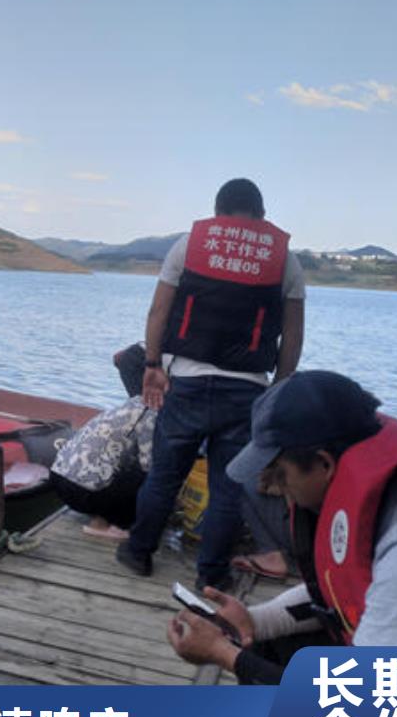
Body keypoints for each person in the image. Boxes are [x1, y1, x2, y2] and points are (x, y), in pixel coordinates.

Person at [167, 370, 397, 684]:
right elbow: (340, 590)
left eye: (279, 474)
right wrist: (252, 620)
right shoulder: (371, 490)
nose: (269, 486)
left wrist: (222, 654)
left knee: (255, 662)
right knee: (262, 646)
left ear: (324, 463)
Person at [117, 178, 305, 589]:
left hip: (186, 382)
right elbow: (292, 334)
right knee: (228, 486)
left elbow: (158, 311)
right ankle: (212, 575)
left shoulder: (190, 245)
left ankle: (138, 552)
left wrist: (153, 363)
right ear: (261, 215)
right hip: (247, 390)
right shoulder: (284, 259)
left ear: (218, 212)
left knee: (164, 475)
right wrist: (280, 386)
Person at [50, 396, 156, 538]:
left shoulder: (134, 403)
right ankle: (102, 525)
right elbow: (149, 465)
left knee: (113, 464)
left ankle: (98, 516)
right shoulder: (152, 415)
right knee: (149, 476)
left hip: (57, 478)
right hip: (81, 492)